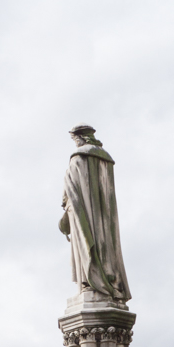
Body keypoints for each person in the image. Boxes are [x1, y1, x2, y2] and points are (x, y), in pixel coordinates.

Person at [58, 124, 131, 302]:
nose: (75, 142)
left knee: (85, 241)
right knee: (104, 246)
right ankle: (109, 279)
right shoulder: (105, 160)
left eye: (75, 139)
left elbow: (72, 192)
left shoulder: (78, 158)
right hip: (104, 218)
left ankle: (90, 282)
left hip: (82, 212)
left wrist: (66, 209)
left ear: (81, 138)